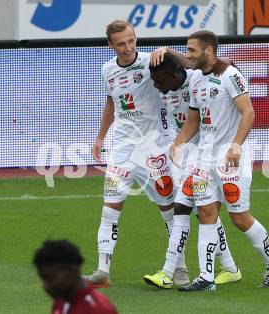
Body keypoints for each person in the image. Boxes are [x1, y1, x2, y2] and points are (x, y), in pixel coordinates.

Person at [170, 30, 269, 291]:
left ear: (209, 51)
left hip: (229, 160)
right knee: (206, 213)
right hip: (204, 158)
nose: (188, 55)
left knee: (240, 219)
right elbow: (193, 120)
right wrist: (178, 142)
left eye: (192, 50)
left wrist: (236, 145)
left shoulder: (230, 75)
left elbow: (248, 112)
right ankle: (206, 278)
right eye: (187, 50)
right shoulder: (194, 82)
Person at [84, 19, 189, 287]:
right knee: (110, 208)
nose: (128, 47)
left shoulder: (151, 62)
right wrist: (100, 137)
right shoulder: (107, 70)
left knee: (168, 209)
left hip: (155, 147)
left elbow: (188, 62)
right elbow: (112, 102)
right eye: (120, 44)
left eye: (131, 41)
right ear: (111, 45)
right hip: (122, 148)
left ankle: (180, 268)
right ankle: (102, 271)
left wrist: (166, 49)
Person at [143, 53, 242, 289]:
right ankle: (229, 267)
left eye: (159, 81)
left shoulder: (198, 78)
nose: (156, 86)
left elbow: (227, 64)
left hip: (208, 155)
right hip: (187, 157)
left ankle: (169, 272)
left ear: (175, 74)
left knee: (185, 209)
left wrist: (171, 51)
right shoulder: (167, 89)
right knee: (201, 213)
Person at [33, 239, 117, 314]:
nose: (45, 285)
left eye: (50, 278)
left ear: (71, 270)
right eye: (43, 279)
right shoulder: (62, 300)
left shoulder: (97, 310)